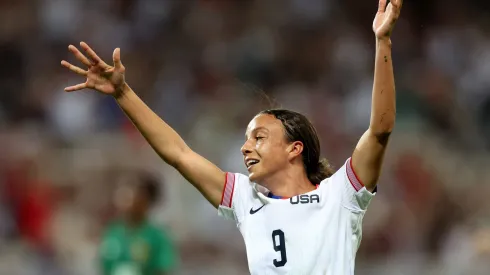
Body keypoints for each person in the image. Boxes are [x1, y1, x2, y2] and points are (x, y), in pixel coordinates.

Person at [61, 0, 402, 273]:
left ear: (294, 149)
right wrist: (123, 94)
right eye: (247, 138)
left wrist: (382, 41)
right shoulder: (245, 199)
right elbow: (178, 152)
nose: (245, 147)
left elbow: (380, 128)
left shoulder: (340, 196)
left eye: (259, 137)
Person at [99, 172, 177, 275]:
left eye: (135, 193)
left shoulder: (158, 237)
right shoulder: (113, 232)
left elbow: (164, 269)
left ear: (147, 200)